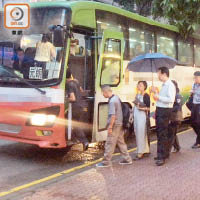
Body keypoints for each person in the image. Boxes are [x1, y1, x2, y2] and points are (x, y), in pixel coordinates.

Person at [96, 85, 132, 168]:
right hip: (119, 123)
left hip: (115, 124)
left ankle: (106, 162)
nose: (102, 95)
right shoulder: (116, 97)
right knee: (121, 142)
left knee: (109, 143)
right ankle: (127, 159)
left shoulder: (112, 101)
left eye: (102, 93)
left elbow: (113, 116)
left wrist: (110, 127)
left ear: (106, 92)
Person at [151, 66, 176, 166]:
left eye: (159, 73)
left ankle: (162, 157)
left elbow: (170, 99)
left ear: (164, 74)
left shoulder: (170, 85)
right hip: (161, 110)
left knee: (162, 133)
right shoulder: (164, 85)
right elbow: (162, 98)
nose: (158, 75)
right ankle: (162, 154)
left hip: (165, 111)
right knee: (159, 132)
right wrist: (155, 92)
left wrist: (158, 97)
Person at [66, 68, 89, 150]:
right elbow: (82, 91)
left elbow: (72, 98)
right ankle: (75, 139)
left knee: (74, 125)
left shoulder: (69, 84)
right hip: (82, 106)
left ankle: (84, 141)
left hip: (76, 107)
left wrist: (65, 99)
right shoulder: (76, 81)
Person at [133, 81, 150, 160]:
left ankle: (140, 152)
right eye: (138, 84)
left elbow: (149, 108)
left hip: (142, 117)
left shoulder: (146, 96)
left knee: (141, 133)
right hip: (136, 116)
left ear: (144, 87)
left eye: (140, 85)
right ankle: (145, 150)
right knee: (138, 132)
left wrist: (141, 108)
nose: (138, 86)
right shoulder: (137, 95)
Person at [168, 80, 183, 153]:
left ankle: (168, 150)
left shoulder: (177, 95)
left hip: (176, 116)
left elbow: (178, 106)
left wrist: (169, 108)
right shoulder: (172, 94)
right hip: (172, 116)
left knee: (172, 133)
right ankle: (177, 147)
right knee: (172, 133)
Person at [190, 71, 200, 149]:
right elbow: (193, 93)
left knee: (197, 122)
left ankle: (198, 142)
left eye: (196, 77)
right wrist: (192, 93)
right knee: (193, 123)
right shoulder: (194, 84)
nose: (195, 79)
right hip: (194, 104)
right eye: (194, 77)